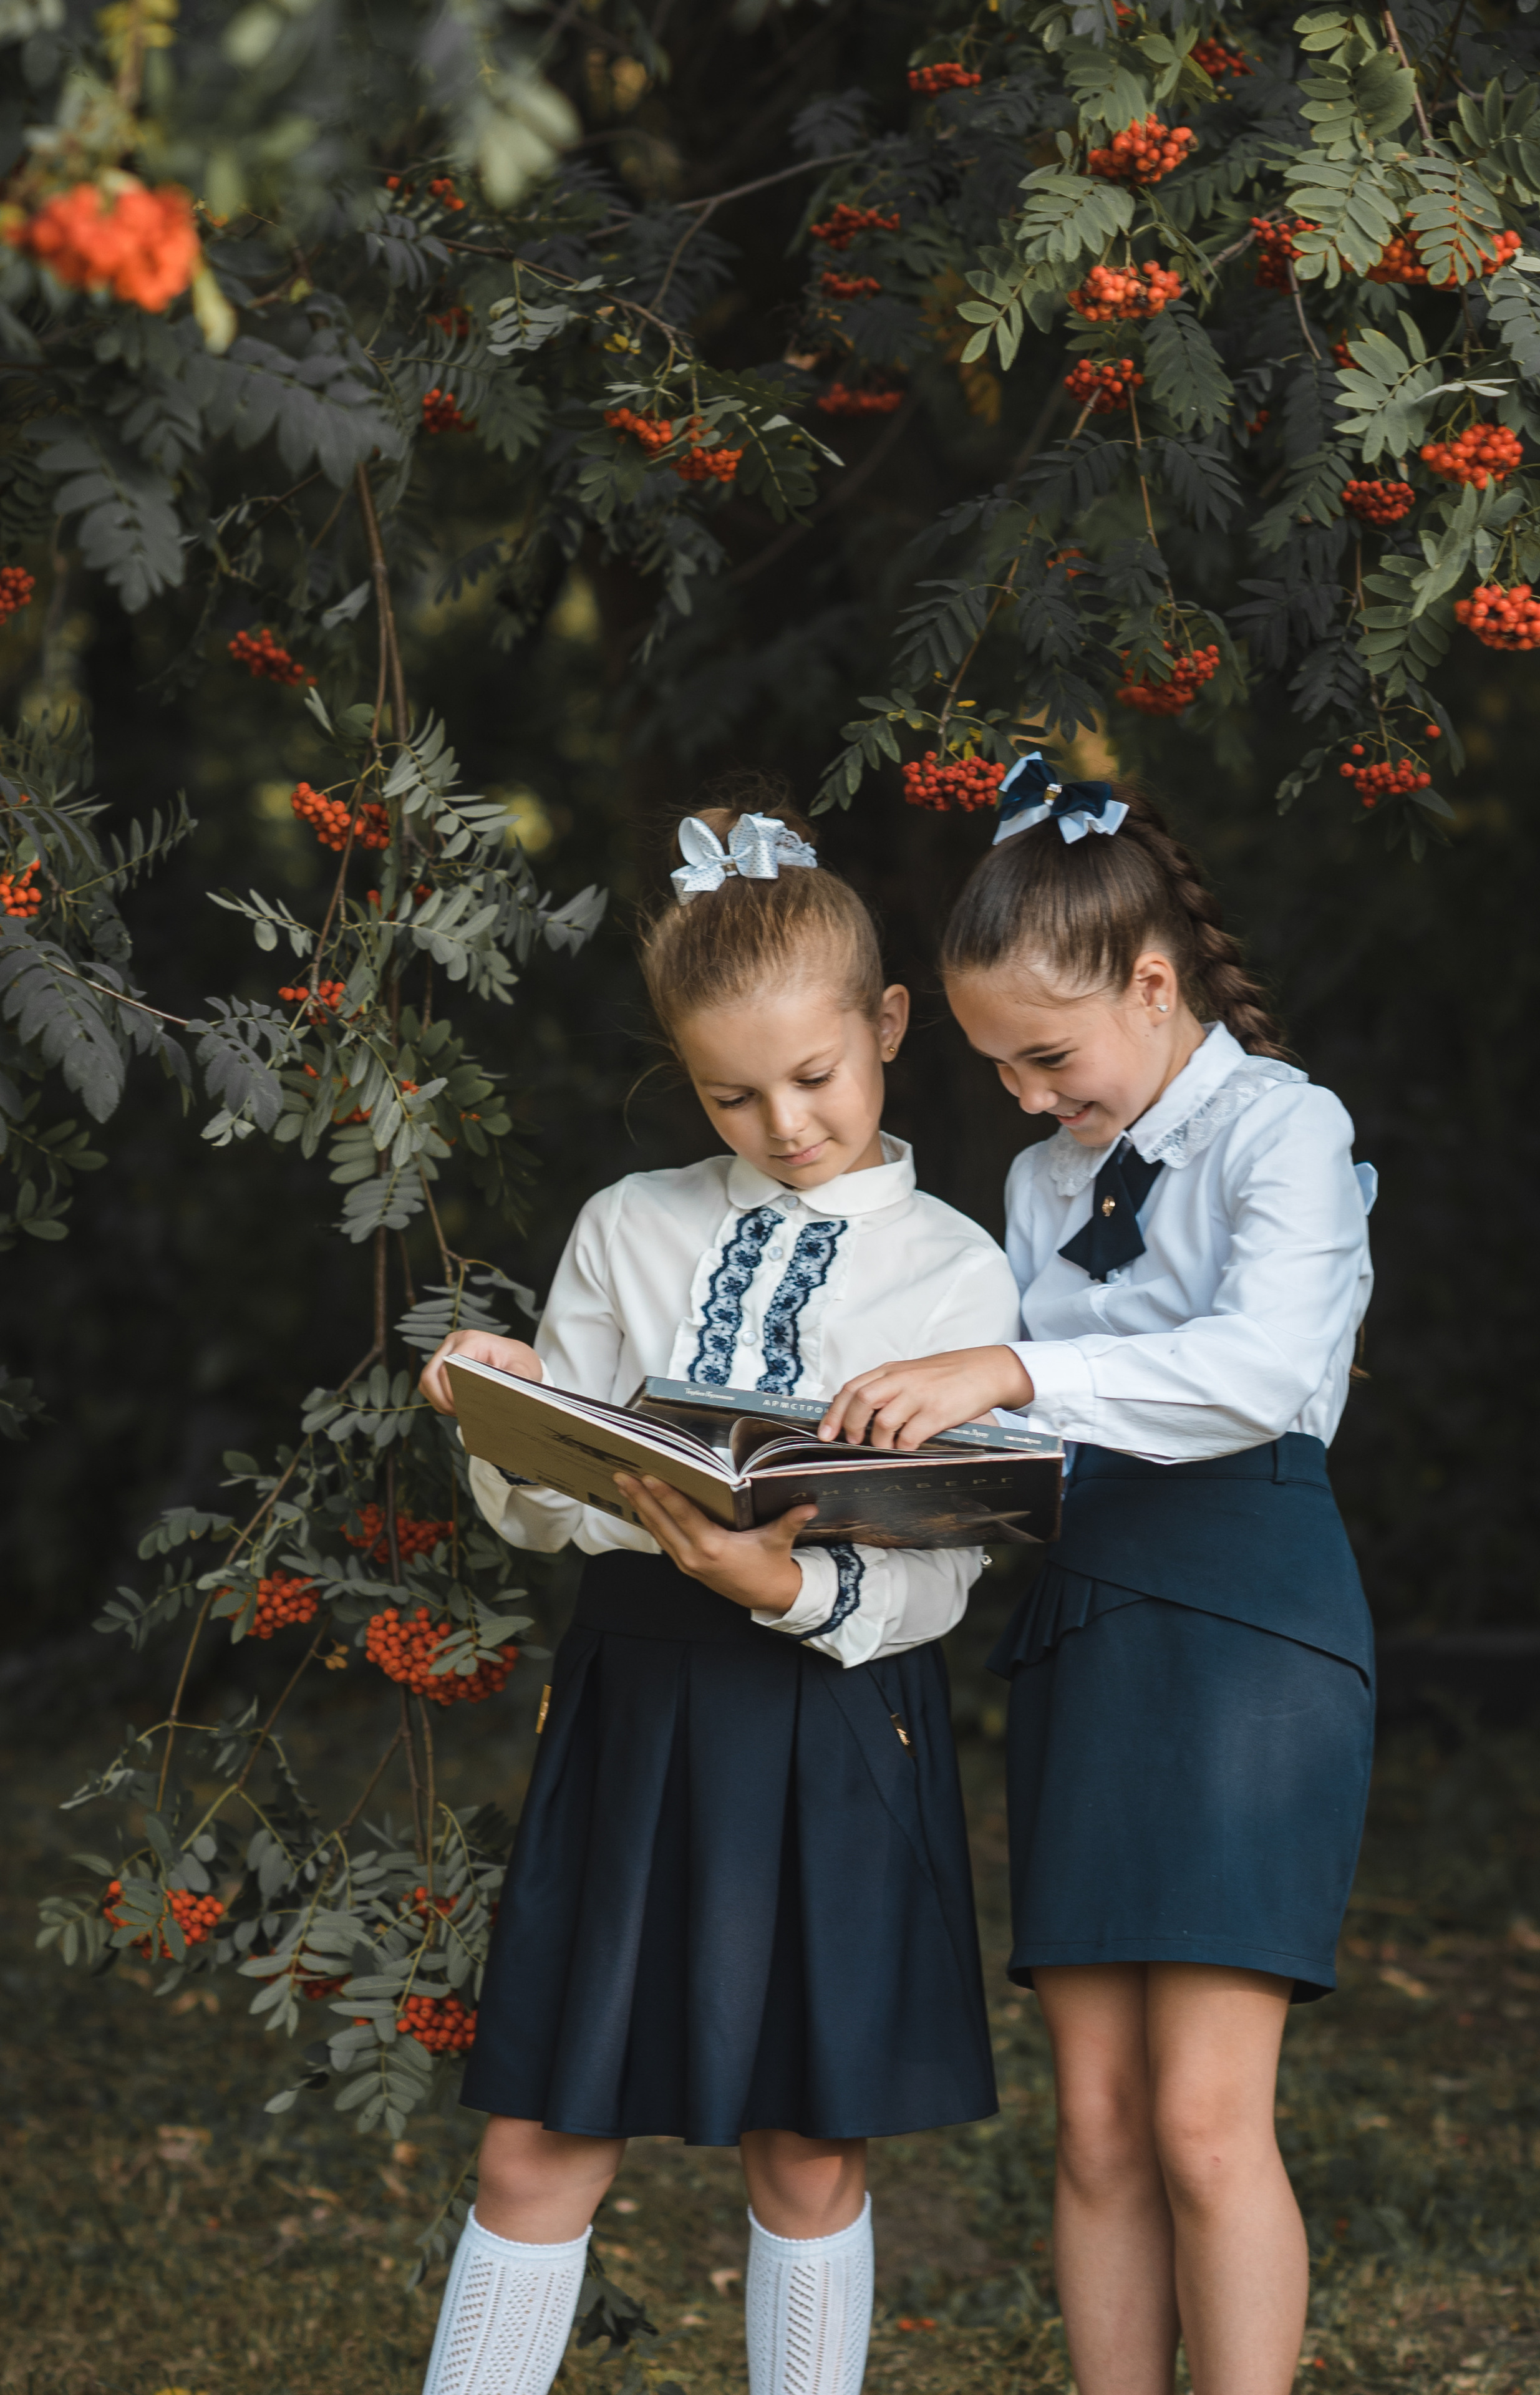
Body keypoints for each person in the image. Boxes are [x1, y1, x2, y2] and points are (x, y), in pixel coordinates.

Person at [414, 790, 1019, 2395]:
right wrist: (509, 1396)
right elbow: (546, 1498)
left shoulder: (956, 1270)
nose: (784, 1123)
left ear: (888, 1025)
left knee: (807, 2147)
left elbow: (948, 1560)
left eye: (814, 1079)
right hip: (633, 1693)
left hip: (830, 1709)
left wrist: (789, 1583)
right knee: (541, 2135)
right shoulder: (631, 1222)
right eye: (729, 1095)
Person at [816, 762, 1377, 2395]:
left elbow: (1259, 1375)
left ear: (1153, 983)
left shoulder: (1288, 1125)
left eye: (1047, 1057)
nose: (1023, 1095)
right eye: (995, 1066)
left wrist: (998, 1370)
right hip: (1085, 1615)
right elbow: (1035, 1444)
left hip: (1250, 1613)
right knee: (1101, 2122)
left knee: (1207, 2118)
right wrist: (866, 1485)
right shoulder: (1039, 1181)